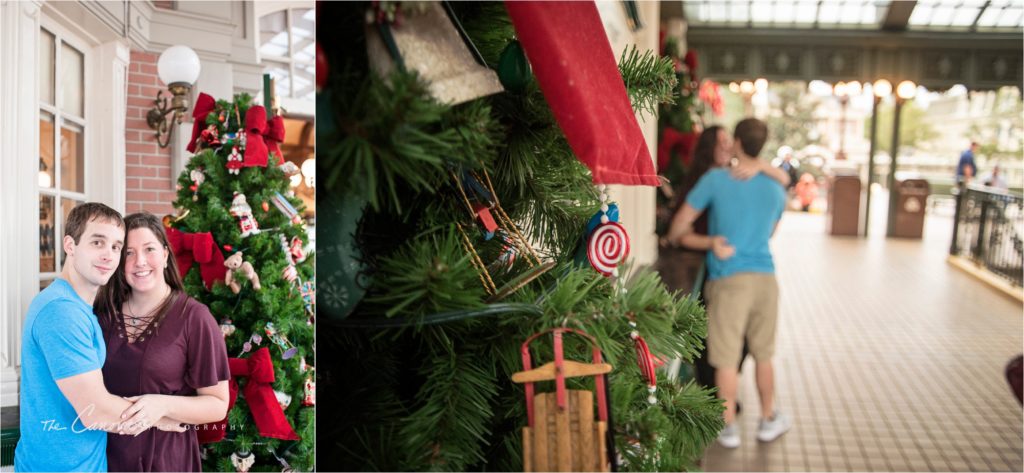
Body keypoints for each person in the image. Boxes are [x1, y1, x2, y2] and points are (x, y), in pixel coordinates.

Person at [15, 203, 182, 472]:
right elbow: (95, 411)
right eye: (97, 242)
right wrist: (160, 416)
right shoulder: (61, 311)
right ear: (70, 245)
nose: (109, 255)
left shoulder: (81, 308)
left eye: (116, 247)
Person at [667, 118, 790, 448]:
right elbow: (771, 232)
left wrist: (711, 243)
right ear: (762, 145)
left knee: (724, 359)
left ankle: (728, 427)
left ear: (737, 142)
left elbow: (677, 230)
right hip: (766, 279)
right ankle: (768, 419)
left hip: (728, 281)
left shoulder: (715, 180)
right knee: (764, 355)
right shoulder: (775, 188)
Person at [95, 212, 230, 472]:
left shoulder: (194, 318)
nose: (139, 262)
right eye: (129, 253)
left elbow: (217, 405)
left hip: (167, 460)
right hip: (106, 458)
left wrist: (162, 406)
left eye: (149, 249)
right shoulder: (104, 315)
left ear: (166, 255)